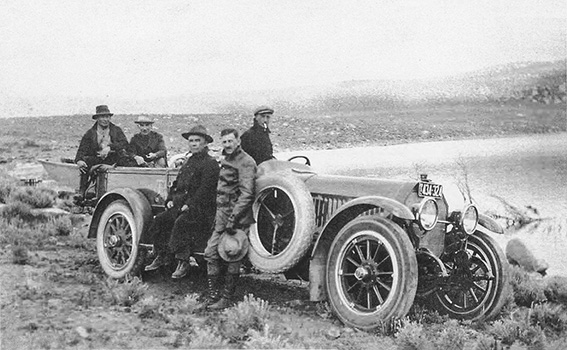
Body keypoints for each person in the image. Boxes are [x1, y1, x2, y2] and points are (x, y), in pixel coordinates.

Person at [144, 125, 220, 279]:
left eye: (197, 141)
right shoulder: (188, 162)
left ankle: (183, 261)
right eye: (191, 141)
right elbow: (177, 184)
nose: (193, 144)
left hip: (201, 209)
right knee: (160, 220)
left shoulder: (210, 164)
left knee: (181, 223)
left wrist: (190, 205)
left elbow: (205, 190)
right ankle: (162, 255)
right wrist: (170, 199)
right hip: (181, 206)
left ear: (205, 143)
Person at [204, 128, 257, 309]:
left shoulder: (246, 162)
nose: (227, 145)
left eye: (230, 141)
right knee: (211, 253)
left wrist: (233, 219)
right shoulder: (226, 159)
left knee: (233, 253)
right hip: (222, 215)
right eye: (224, 142)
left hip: (237, 217)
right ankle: (213, 296)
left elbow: (246, 194)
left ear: (238, 141)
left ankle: (226, 299)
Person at [75, 105, 129, 199]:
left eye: (107, 117)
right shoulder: (90, 133)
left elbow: (125, 144)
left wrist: (110, 147)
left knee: (126, 160)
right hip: (97, 159)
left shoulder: (116, 130)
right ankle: (82, 192)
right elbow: (81, 151)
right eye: (102, 117)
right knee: (84, 162)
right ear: (97, 118)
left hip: (113, 158)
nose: (105, 119)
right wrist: (79, 161)